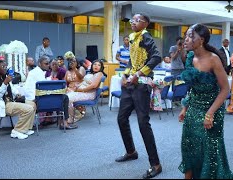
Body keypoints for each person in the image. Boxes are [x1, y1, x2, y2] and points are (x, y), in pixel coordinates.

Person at [178, 24, 233, 179]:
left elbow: (225, 90)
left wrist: (209, 114)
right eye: (186, 36)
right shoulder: (190, 57)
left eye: (191, 36)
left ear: (201, 40)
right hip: (193, 109)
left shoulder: (213, 59)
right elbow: (193, 88)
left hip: (212, 109)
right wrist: (185, 107)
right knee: (189, 145)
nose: (186, 39)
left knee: (209, 150)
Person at [114, 13, 162, 179]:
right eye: (132, 20)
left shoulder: (146, 37)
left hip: (141, 85)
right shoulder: (133, 37)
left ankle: (155, 164)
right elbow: (131, 61)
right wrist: (125, 74)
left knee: (143, 123)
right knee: (121, 118)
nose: (133, 22)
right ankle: (131, 151)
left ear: (145, 23)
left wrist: (139, 73)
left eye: (136, 20)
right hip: (130, 84)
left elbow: (157, 57)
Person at [24, 56, 76, 130]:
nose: (48, 65)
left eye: (48, 63)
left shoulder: (36, 72)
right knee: (64, 97)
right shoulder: (37, 73)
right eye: (46, 64)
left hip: (40, 100)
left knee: (63, 97)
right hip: (41, 102)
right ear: (39, 64)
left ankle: (60, 121)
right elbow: (46, 88)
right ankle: (64, 123)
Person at [0, 60, 36, 139]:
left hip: (11, 101)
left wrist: (17, 94)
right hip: (2, 104)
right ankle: (17, 131)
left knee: (33, 105)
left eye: (5, 66)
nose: (5, 68)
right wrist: (5, 83)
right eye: (2, 67)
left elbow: (12, 89)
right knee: (28, 108)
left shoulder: (5, 76)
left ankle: (26, 128)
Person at [66, 59, 105, 123]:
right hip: (83, 92)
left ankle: (73, 117)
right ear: (92, 65)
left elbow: (94, 86)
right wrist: (76, 87)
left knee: (67, 98)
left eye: (99, 65)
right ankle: (75, 114)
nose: (96, 66)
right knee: (66, 94)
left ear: (101, 67)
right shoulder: (90, 73)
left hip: (89, 94)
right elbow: (83, 82)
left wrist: (80, 90)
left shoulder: (99, 74)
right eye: (95, 64)